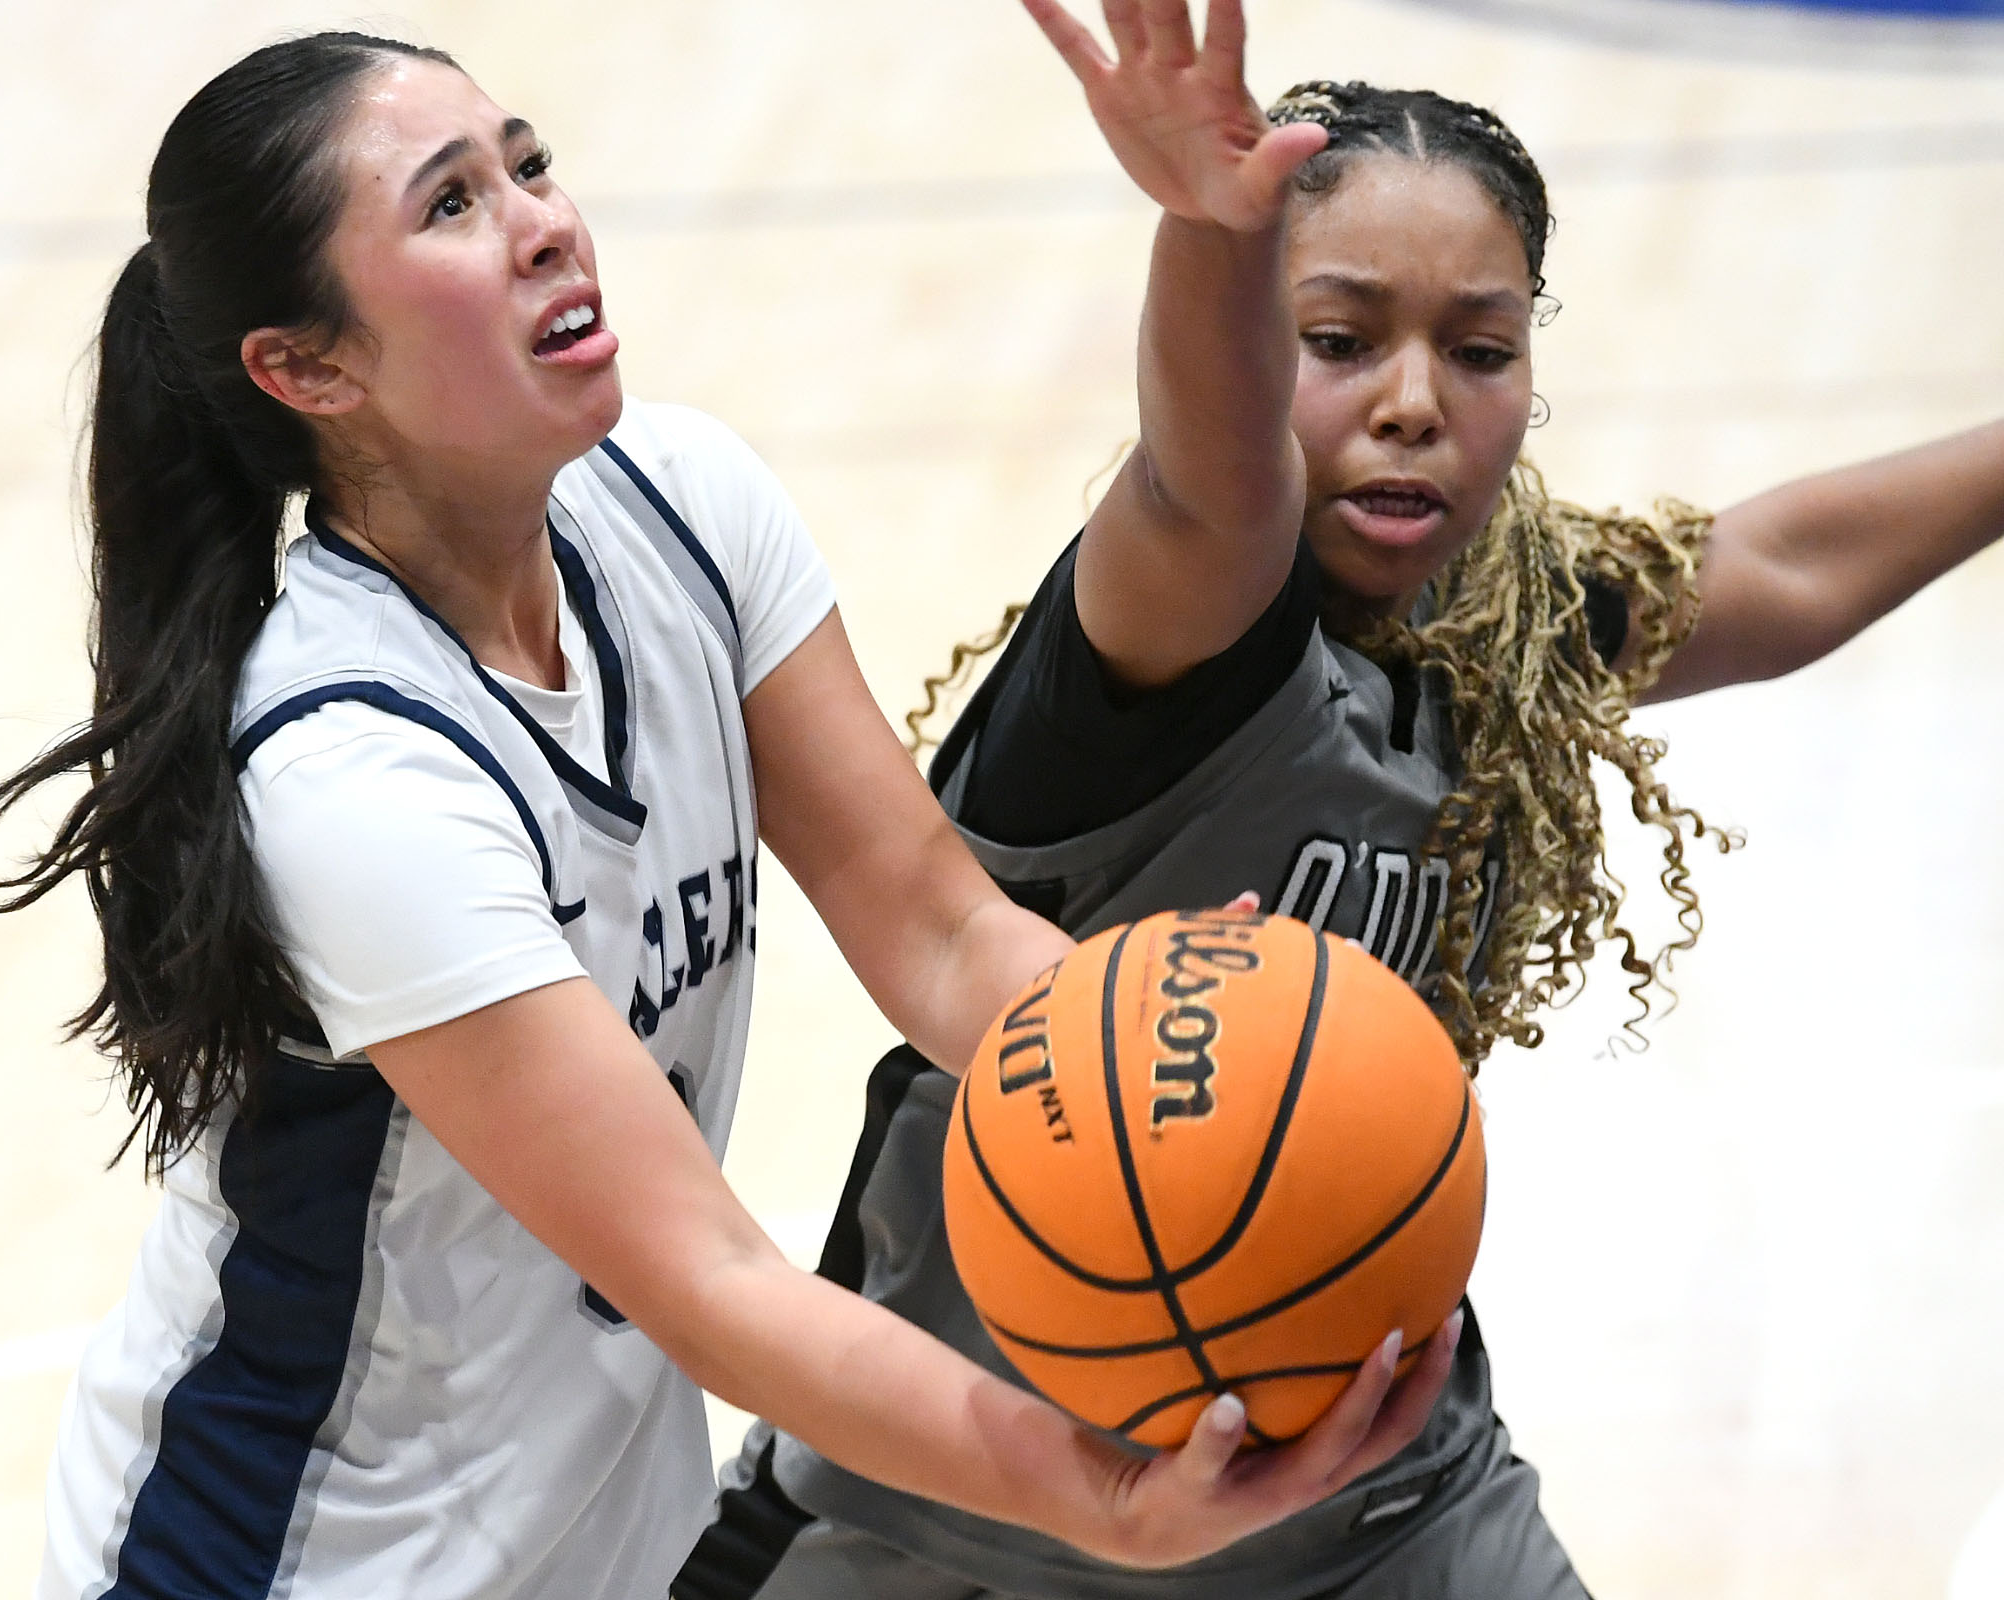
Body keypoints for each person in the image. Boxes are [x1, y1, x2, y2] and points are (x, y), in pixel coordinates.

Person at [0, 31, 1461, 1600]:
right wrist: (1096, 1496)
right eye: (452, 204)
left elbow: (940, 934)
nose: (544, 219)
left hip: (595, 1546)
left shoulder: (685, 508)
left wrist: (1142, 1030)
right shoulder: (354, 776)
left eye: (528, 162)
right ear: (309, 368)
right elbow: (711, 1278)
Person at [678, 2, 2004, 1597]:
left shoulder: (1503, 626)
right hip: (979, 1518)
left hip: (1386, 1508)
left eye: (1482, 348)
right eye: (1339, 337)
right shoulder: (1176, 625)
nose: (1414, 400)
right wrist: (1211, 233)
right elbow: (1205, 477)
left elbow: (1776, 566)